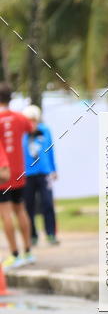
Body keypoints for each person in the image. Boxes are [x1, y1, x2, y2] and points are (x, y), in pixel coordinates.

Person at [0, 84, 36, 269]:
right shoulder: (20, 117)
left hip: (2, 173)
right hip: (19, 171)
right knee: (20, 210)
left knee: (5, 213)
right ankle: (28, 252)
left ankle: (14, 254)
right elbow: (32, 129)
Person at [22, 105, 59, 246]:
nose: (32, 123)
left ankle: (51, 234)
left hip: (44, 172)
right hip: (27, 174)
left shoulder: (45, 131)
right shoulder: (22, 133)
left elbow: (50, 150)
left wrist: (54, 169)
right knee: (28, 206)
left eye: (34, 120)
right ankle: (32, 236)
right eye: (29, 120)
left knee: (47, 203)